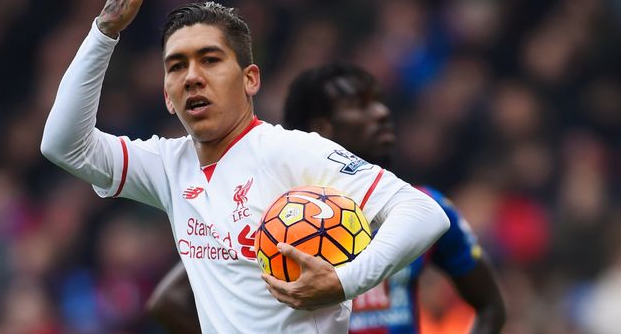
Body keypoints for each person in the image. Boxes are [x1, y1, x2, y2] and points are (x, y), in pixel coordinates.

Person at [40, 0, 449, 333]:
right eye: (177, 66)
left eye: (210, 59)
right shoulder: (169, 166)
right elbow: (64, 146)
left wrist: (344, 282)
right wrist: (105, 31)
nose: (192, 77)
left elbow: (424, 213)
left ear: (251, 79)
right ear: (167, 95)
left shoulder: (290, 152)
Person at [147, 63, 506, 333]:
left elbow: (490, 305)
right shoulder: (272, 216)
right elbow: (170, 303)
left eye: (378, 102)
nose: (381, 113)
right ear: (320, 130)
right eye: (360, 105)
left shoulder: (422, 207)